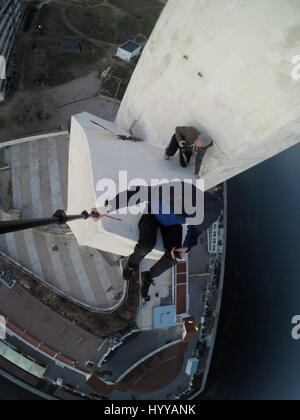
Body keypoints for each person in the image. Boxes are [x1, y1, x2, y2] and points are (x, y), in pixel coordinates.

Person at [92, 182, 222, 300]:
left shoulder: (208, 215)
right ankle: (131, 263)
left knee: (174, 258)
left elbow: (195, 231)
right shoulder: (175, 190)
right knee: (146, 246)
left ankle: (147, 277)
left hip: (171, 224)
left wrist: (186, 247)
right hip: (153, 213)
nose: (187, 217)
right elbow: (137, 194)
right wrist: (106, 208)